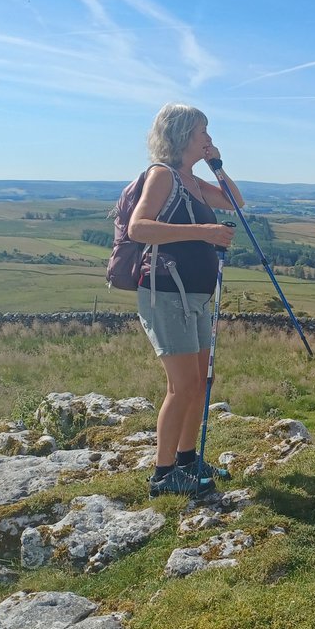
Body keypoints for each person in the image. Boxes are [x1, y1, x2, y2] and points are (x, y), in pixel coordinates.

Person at [129, 103, 243, 497]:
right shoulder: (163, 175)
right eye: (202, 132)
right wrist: (204, 233)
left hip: (194, 294)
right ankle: (163, 475)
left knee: (200, 382)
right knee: (182, 386)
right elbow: (138, 228)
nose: (209, 138)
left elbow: (235, 201)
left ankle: (188, 459)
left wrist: (217, 164)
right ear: (181, 135)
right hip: (166, 293)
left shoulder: (192, 180)